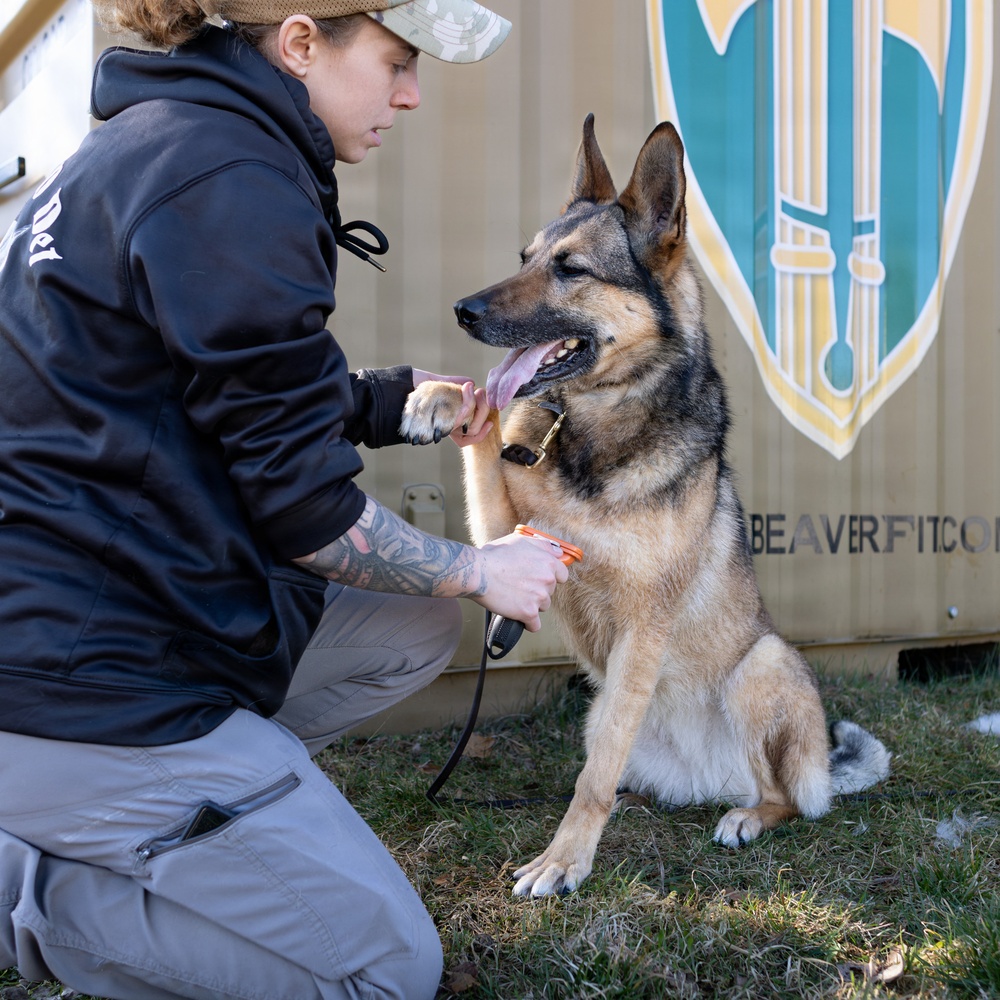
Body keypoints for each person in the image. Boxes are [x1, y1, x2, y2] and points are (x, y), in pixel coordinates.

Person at [0, 1, 569, 997]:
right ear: (302, 42)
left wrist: (392, 405)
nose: (411, 92)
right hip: (90, 681)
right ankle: (36, 895)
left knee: (410, 627)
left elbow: (199, 391)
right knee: (386, 972)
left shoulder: (163, 141)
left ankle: (213, 803)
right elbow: (309, 520)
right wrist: (485, 567)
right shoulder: (232, 178)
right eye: (395, 61)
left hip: (82, 625)